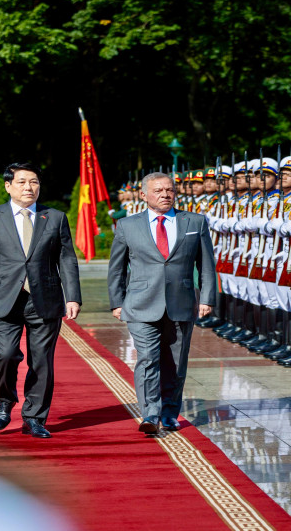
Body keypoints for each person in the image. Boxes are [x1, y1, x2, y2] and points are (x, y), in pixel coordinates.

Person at [0, 163, 82, 439]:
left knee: (42, 361)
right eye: (22, 182)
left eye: (34, 182)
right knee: (5, 354)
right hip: (3, 298)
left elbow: (67, 259)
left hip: (46, 299)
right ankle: (6, 399)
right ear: (8, 186)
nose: (29, 188)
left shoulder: (54, 217)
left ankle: (34, 417)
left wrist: (73, 296)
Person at [107, 172, 216, 435]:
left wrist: (207, 298)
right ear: (144, 195)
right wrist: (117, 302)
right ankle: (150, 414)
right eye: (158, 190)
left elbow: (207, 265)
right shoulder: (128, 226)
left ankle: (169, 412)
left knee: (176, 363)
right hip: (141, 304)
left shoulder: (194, 221)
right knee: (147, 358)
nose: (165, 194)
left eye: (169, 190)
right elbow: (116, 268)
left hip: (182, 302)